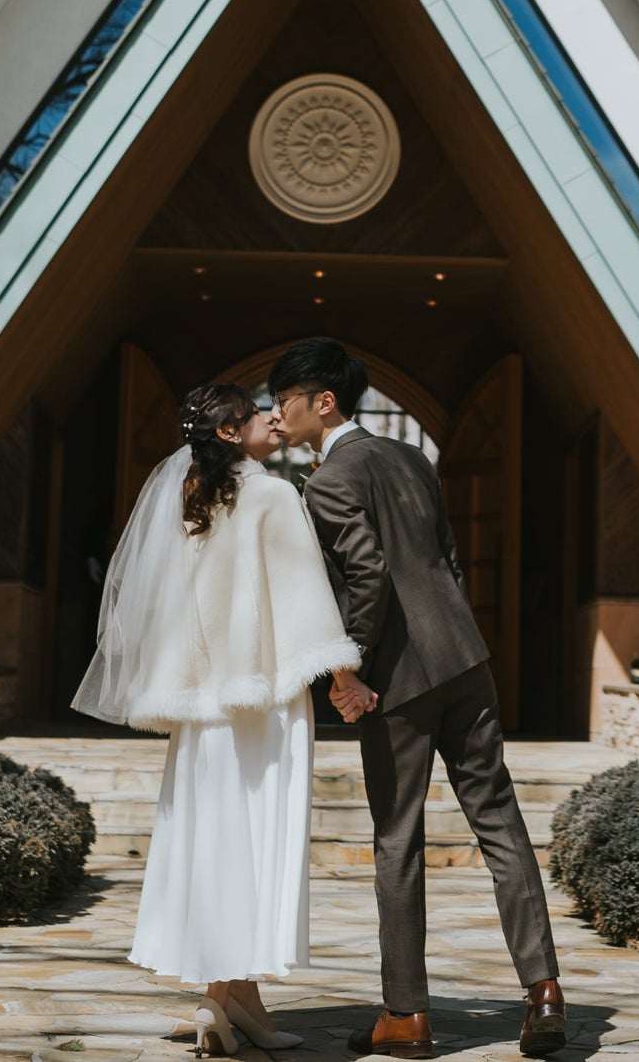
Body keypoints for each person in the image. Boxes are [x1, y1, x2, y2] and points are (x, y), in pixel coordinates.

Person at [271, 339, 567, 1062]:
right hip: (465, 655)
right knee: (499, 820)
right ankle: (545, 989)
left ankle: (405, 1015)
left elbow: (366, 574)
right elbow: (447, 558)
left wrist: (349, 669)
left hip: (397, 678)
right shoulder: (410, 459)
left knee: (397, 839)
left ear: (323, 401)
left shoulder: (329, 479)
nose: (277, 412)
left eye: (284, 399)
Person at [74, 381, 364, 1057]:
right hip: (259, 701)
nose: (270, 415)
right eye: (256, 411)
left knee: (213, 842)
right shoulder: (272, 494)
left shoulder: (188, 502)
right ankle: (215, 997)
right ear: (231, 432)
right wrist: (341, 670)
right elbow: (302, 593)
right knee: (254, 841)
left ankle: (239, 1004)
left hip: (202, 710)